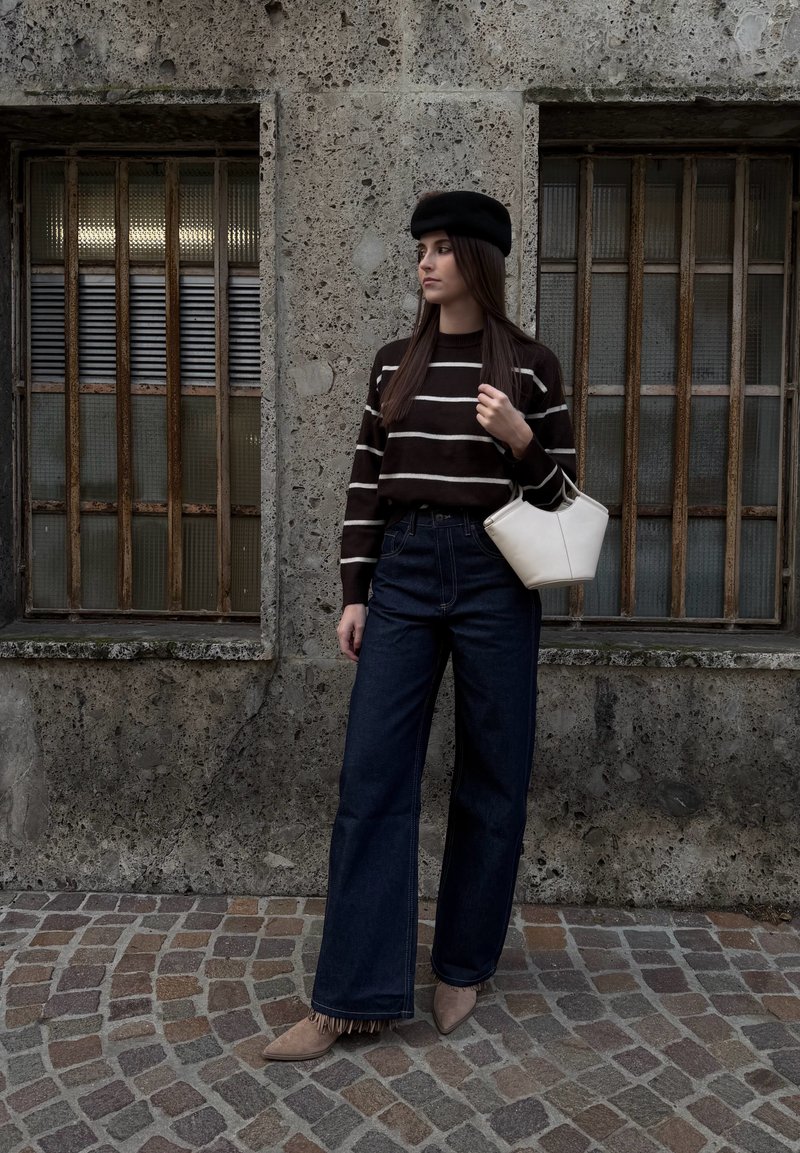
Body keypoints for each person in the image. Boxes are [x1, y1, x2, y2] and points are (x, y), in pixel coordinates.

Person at [262, 190, 576, 1061]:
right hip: (402, 570)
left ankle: (463, 964)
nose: (425, 262)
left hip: (496, 575)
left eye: (441, 248)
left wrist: (521, 439)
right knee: (372, 775)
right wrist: (355, 589)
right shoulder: (392, 363)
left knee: (494, 770)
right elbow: (367, 481)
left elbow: (565, 501)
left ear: (479, 259)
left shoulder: (534, 369)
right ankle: (348, 998)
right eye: (421, 250)